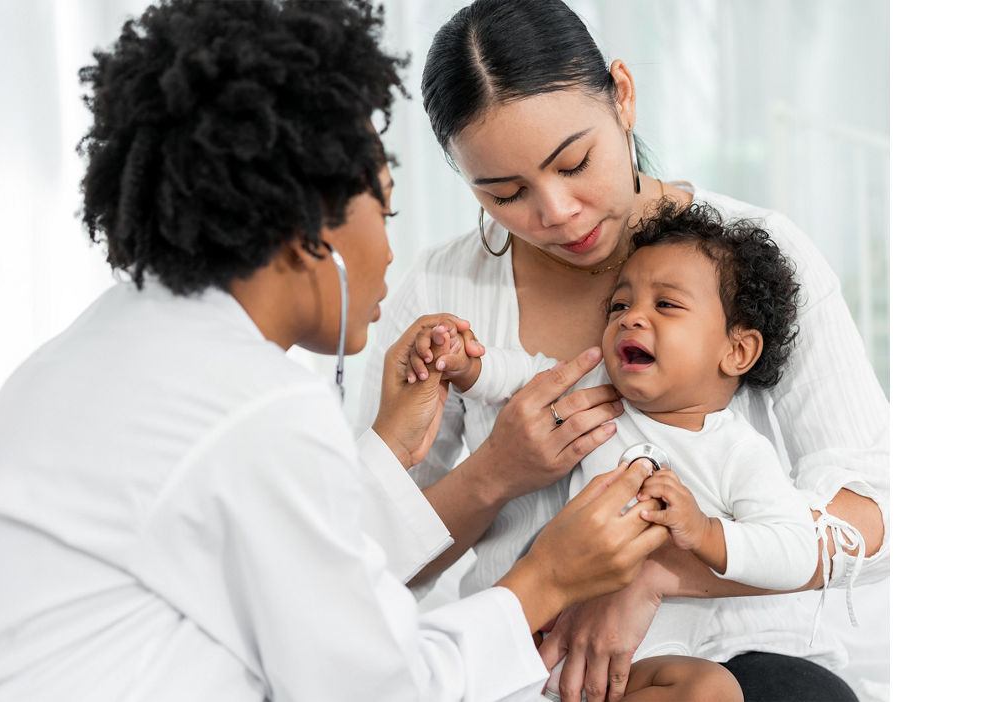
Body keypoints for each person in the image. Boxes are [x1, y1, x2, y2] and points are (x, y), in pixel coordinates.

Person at [0, 1, 670, 700]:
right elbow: (376, 687)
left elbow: (302, 568)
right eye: (384, 209)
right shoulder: (253, 405)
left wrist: (388, 449)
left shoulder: (103, 350)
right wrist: (544, 581)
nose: (392, 258)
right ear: (310, 232)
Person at [356, 1, 889, 701]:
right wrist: (494, 476)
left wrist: (653, 571)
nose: (556, 212)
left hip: (754, 658)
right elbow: (365, 567)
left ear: (624, 97)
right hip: (539, 676)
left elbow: (879, 513)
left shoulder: (751, 255)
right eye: (505, 193)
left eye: (575, 163)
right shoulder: (439, 292)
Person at [412, 202, 826, 702]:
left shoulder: (737, 452)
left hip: (643, 666)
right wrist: (465, 366)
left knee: (710, 689)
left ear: (736, 351)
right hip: (540, 649)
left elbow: (796, 553)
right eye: (619, 307)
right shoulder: (597, 391)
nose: (632, 319)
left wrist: (704, 533)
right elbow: (521, 377)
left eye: (666, 305)